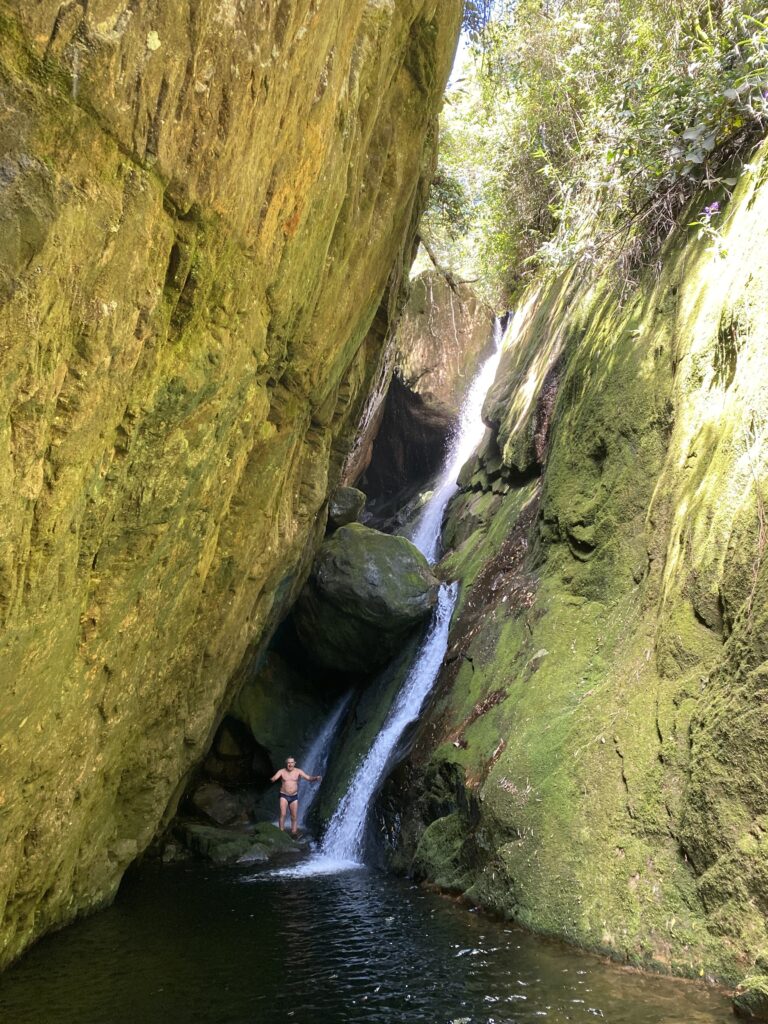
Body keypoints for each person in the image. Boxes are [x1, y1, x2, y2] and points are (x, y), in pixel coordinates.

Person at [270, 757, 322, 836]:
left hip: (294, 796)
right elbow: (274, 778)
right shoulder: (282, 771)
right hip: (283, 795)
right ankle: (281, 833)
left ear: (294, 763)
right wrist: (272, 779)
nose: (290, 764)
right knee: (283, 814)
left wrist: (316, 778)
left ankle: (294, 832)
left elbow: (308, 778)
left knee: (294, 816)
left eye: (291, 763)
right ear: (286, 764)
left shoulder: (298, 771)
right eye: (288, 763)